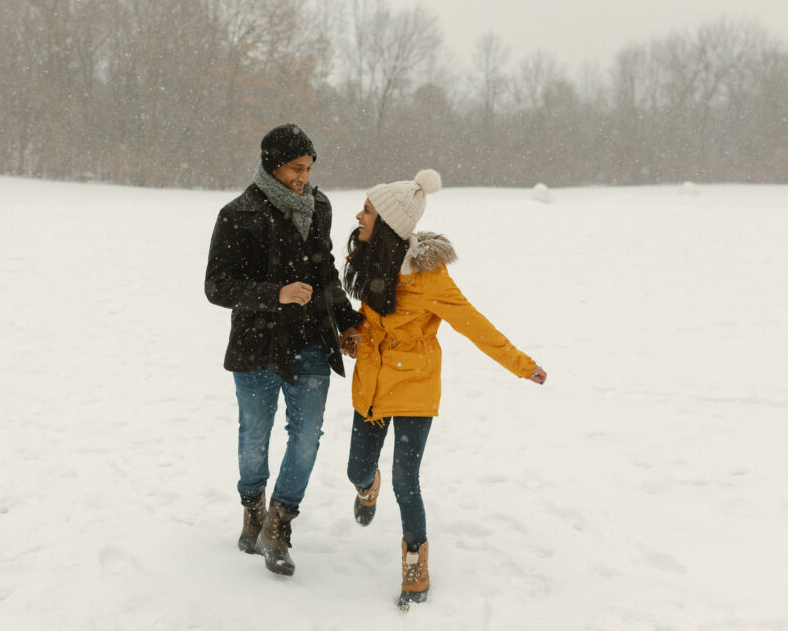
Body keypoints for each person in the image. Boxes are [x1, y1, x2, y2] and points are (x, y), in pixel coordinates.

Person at [340, 169, 547, 610]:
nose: (359, 215)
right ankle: (365, 485)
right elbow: (369, 314)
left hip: (414, 383)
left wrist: (521, 365)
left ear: (390, 224)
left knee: (405, 480)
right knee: (357, 468)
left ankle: (415, 559)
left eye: (369, 210)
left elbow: (476, 326)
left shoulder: (430, 279)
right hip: (372, 383)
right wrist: (355, 332)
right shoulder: (370, 255)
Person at [204, 123, 363, 577]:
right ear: (272, 164)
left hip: (312, 340)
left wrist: (347, 320)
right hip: (256, 345)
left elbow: (326, 270)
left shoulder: (320, 207)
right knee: (254, 437)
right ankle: (252, 506)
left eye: (309, 168)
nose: (304, 177)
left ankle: (280, 521)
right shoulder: (239, 213)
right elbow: (217, 286)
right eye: (296, 168)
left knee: (307, 436)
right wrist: (276, 294)